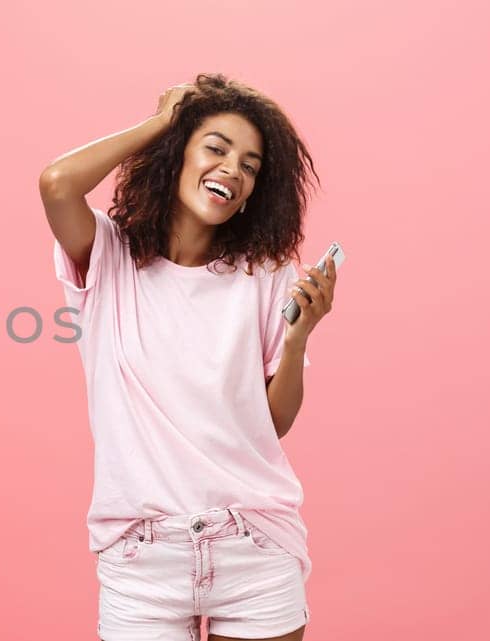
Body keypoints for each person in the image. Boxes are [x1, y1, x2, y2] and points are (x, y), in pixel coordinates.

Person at [38, 73, 337, 641]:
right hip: (141, 558)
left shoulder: (266, 274)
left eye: (250, 166)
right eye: (216, 148)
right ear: (175, 154)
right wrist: (160, 124)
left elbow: (271, 423)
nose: (232, 169)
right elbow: (56, 183)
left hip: (254, 542)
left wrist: (299, 337)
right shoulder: (109, 257)